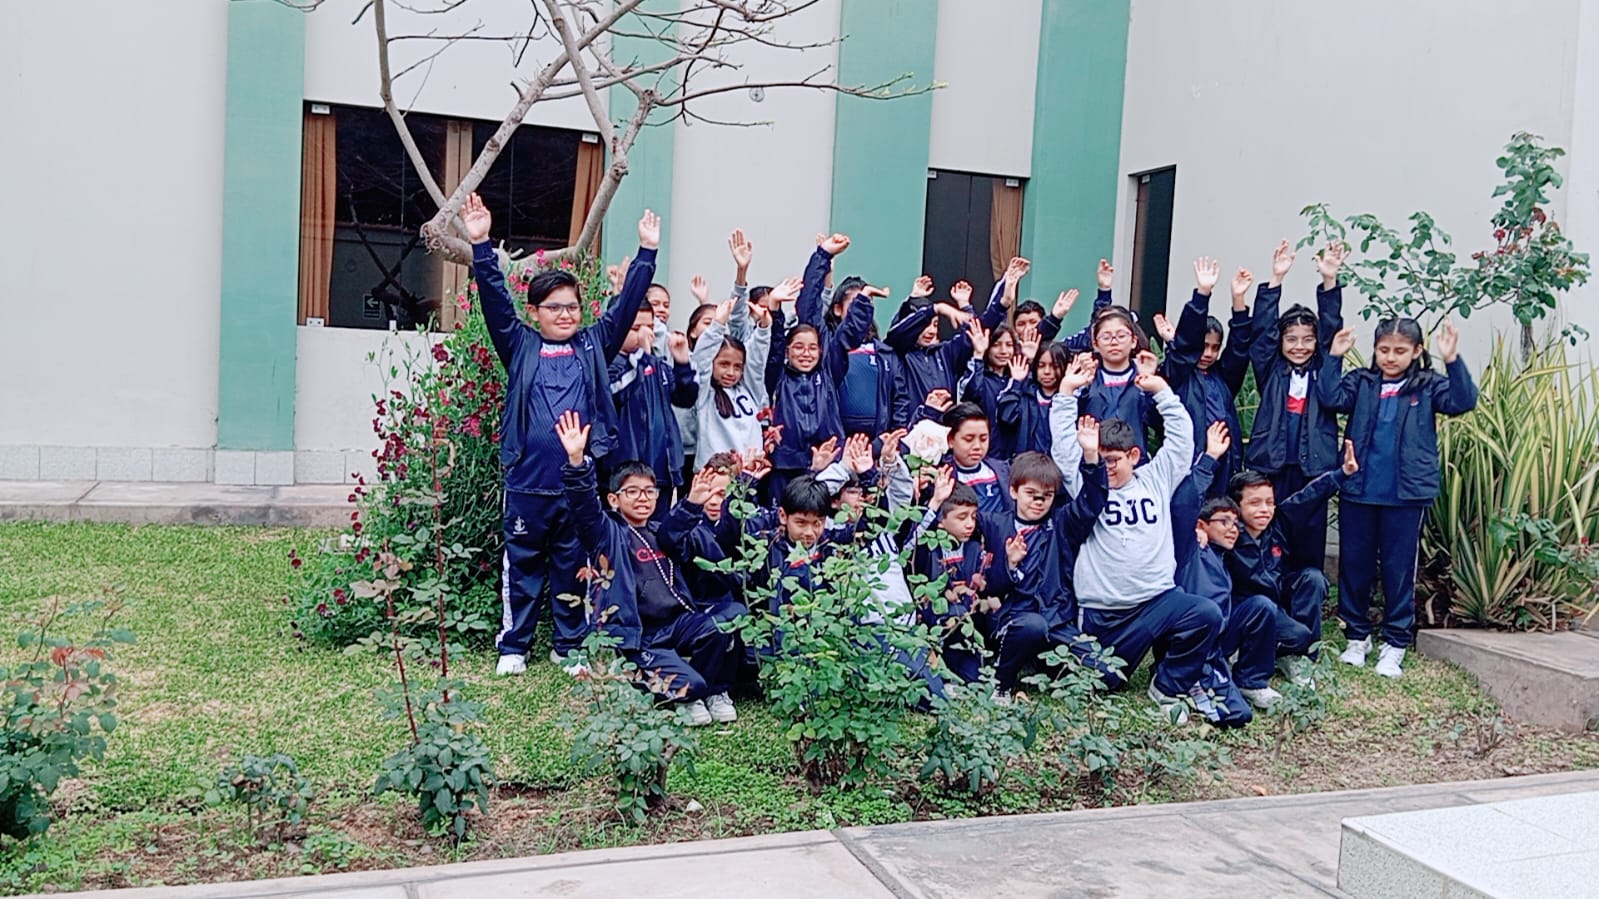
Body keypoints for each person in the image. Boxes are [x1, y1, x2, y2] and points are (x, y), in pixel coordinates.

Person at [461, 192, 658, 676]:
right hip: (527, 484)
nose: (566, 315)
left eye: (572, 307)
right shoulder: (520, 345)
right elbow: (495, 302)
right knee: (522, 566)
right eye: (554, 307)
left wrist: (647, 254)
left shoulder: (593, 344)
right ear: (535, 312)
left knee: (574, 565)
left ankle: (568, 645)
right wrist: (481, 245)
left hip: (579, 485)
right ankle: (514, 646)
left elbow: (624, 309)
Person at [1056, 362, 1222, 725]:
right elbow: (1064, 451)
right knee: (1102, 683)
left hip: (1154, 601)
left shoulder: (1156, 478)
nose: (1107, 467)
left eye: (1114, 460)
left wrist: (1161, 391)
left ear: (1133, 456)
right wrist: (1066, 393)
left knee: (1206, 614)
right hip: (1102, 612)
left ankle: (1167, 687)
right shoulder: (1087, 485)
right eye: (1101, 459)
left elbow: (1181, 441)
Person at [554, 412, 743, 725]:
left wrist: (693, 502)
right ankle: (676, 687)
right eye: (632, 491)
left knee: (731, 616)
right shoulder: (607, 533)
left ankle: (712, 691)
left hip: (679, 622)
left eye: (650, 491)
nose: (643, 498)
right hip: (642, 634)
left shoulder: (660, 530)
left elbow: (682, 536)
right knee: (691, 684)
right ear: (614, 499)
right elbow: (583, 507)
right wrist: (576, 462)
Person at [1320, 317, 1477, 677]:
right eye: (1384, 350)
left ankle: (1395, 642)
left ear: (1417, 351)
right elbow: (1330, 397)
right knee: (1354, 565)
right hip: (1359, 489)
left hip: (1406, 495)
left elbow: (1463, 400)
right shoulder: (1362, 382)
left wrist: (1452, 359)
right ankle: (1357, 637)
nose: (1391, 357)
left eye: (1400, 351)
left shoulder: (1428, 385)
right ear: (1375, 350)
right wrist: (1334, 356)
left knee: (1398, 569)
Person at [977, 444, 1109, 701]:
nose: (1038, 502)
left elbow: (1092, 501)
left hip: (1055, 619)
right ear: (1013, 491)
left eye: (1046, 496)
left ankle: (1039, 665)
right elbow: (954, 520)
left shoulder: (1061, 523)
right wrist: (1009, 564)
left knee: (1104, 673)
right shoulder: (993, 524)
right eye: (1031, 494)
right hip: (1012, 618)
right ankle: (1001, 683)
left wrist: (1092, 457)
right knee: (1031, 626)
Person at [1245, 240, 1346, 571]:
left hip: (1312, 468)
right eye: (1291, 339)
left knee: (1309, 538)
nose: (1299, 346)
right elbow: (1262, 333)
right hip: (1272, 466)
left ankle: (1307, 594)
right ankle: (1271, 594)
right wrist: (1276, 279)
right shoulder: (1271, 369)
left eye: (1307, 339)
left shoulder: (1324, 369)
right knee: (1272, 535)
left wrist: (1329, 281)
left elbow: (1331, 332)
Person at [1175, 422, 1282, 714]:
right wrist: (1210, 457)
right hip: (1188, 641)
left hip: (1219, 638)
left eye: (1235, 523)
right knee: (1233, 714)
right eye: (1224, 522)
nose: (1233, 529)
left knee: (1261, 606)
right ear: (1202, 524)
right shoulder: (1191, 547)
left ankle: (1251, 680)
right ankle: (1181, 681)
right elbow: (1185, 505)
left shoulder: (1226, 553)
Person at [1226, 444, 1354, 684]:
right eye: (1254, 503)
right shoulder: (1227, 534)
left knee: (1312, 580)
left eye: (1269, 502)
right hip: (1245, 609)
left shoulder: (1278, 523)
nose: (1264, 510)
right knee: (1290, 630)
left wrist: (1343, 473)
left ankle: (1298, 658)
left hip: (1275, 601)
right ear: (1236, 506)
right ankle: (1248, 650)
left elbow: (1308, 497)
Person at [1151, 258, 1254, 493]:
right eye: (1203, 346)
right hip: (1189, 466)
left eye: (1215, 348)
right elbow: (1185, 347)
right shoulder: (1178, 375)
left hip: (1225, 466)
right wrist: (1202, 293)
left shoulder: (1222, 377)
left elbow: (1239, 349)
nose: (1208, 353)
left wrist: (1238, 300)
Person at [608, 306, 697, 520]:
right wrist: (641, 357)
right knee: (623, 531)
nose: (644, 333)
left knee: (656, 531)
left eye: (649, 326)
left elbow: (685, 398)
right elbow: (616, 394)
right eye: (636, 328)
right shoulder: (608, 363)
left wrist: (682, 363)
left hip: (660, 470)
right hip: (625, 472)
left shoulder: (657, 364)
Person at [690, 281, 791, 460]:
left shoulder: (749, 389)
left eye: (737, 367)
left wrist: (764, 328)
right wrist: (717, 325)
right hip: (714, 471)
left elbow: (756, 361)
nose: (731, 372)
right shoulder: (704, 393)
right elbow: (701, 359)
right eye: (724, 364)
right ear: (712, 364)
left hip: (750, 471)